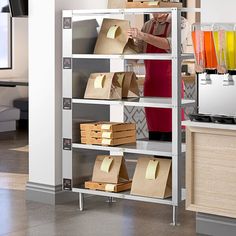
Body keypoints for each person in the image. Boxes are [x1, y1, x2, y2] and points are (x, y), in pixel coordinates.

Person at [128, 13, 188, 141]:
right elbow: (135, 56)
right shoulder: (148, 25)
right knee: (154, 133)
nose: (154, 13)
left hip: (170, 86)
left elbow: (170, 44)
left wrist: (141, 35)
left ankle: (171, 161)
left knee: (171, 133)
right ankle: (156, 161)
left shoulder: (180, 22)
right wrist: (124, 42)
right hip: (151, 85)